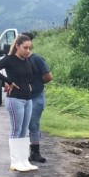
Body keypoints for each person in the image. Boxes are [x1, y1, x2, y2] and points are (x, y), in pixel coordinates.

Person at [0, 34, 38, 172]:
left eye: (29, 48)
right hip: (15, 99)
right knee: (16, 130)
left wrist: (29, 83)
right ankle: (15, 161)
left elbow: (34, 74)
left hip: (27, 99)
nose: (28, 51)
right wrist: (8, 81)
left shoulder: (27, 60)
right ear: (17, 46)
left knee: (25, 130)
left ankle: (24, 160)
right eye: (25, 48)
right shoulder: (9, 59)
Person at [25, 34, 53, 163]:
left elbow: (48, 77)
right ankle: (22, 151)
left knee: (33, 124)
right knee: (21, 125)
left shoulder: (37, 59)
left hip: (36, 96)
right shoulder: (18, 60)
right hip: (22, 97)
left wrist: (36, 84)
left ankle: (35, 152)